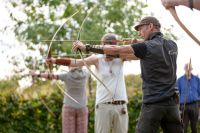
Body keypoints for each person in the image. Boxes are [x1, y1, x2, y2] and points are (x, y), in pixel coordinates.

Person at [73, 16, 183, 133]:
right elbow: (157, 43)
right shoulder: (172, 45)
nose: (140, 33)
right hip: (172, 105)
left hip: (153, 104)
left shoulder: (145, 47)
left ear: (150, 26)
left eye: (141, 29)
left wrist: (87, 47)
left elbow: (116, 50)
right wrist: (136, 42)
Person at [46, 33, 129, 133]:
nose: (109, 48)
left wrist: (116, 51)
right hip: (103, 105)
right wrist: (55, 60)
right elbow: (77, 62)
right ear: (102, 46)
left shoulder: (122, 56)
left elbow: (137, 54)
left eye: (112, 45)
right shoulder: (97, 58)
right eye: (106, 45)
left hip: (121, 105)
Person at [30, 67, 89, 133]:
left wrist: (37, 74)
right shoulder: (86, 74)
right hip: (82, 107)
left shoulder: (66, 75)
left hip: (68, 107)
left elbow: (51, 76)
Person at [177, 63, 200, 133]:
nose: (188, 69)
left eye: (189, 68)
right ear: (184, 69)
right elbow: (178, 94)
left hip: (195, 105)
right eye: (186, 68)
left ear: (191, 69)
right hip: (184, 106)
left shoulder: (197, 79)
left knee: (194, 127)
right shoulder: (179, 80)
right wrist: (178, 107)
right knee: (184, 127)